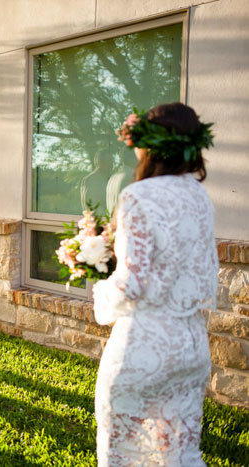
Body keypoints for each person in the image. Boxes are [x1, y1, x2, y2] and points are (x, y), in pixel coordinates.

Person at [93, 102, 216, 465]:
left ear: (149, 145)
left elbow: (132, 283)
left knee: (123, 452)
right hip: (192, 346)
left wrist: (101, 294)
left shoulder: (137, 196)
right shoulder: (199, 195)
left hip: (145, 347)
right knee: (179, 452)